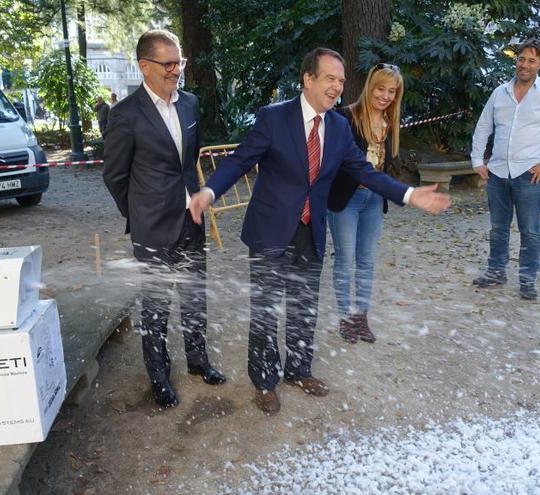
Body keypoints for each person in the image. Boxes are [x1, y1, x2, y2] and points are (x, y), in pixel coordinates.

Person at [190, 48, 450, 415]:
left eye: (342, 81)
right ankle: (264, 380)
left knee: (303, 306)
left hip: (311, 230)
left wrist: (409, 194)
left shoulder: (341, 127)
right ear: (308, 79)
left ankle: (298, 370)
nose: (338, 87)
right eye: (331, 78)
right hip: (270, 229)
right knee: (265, 309)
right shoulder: (274, 117)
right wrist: (209, 191)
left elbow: (366, 172)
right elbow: (239, 160)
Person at [103, 29, 225, 409]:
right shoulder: (125, 115)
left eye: (180, 62)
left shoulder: (189, 104)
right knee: (156, 306)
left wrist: (193, 201)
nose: (177, 70)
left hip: (192, 219)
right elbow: (114, 176)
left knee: (194, 297)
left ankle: (198, 361)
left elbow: (188, 163)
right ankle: (159, 376)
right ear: (144, 66)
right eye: (169, 64)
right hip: (151, 228)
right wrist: (138, 214)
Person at [470, 38, 540, 300]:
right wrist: (477, 161)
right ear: (516, 60)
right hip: (497, 172)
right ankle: (496, 271)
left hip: (530, 174)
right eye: (521, 59)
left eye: (532, 60)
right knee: (498, 228)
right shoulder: (500, 93)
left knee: (530, 230)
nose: (525, 64)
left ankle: (528, 279)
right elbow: (483, 127)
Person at [327, 63, 403, 345]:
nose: (385, 95)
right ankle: (345, 317)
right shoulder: (345, 117)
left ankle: (361, 317)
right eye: (380, 88)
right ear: (369, 86)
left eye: (391, 91)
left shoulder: (391, 122)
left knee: (367, 261)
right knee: (345, 260)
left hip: (374, 200)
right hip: (346, 199)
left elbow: (384, 165)